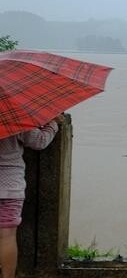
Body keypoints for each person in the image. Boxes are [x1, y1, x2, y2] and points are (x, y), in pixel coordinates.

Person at [0, 115, 64, 278]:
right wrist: (53, 124)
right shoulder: (14, 117)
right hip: (9, 188)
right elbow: (39, 141)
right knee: (6, 236)